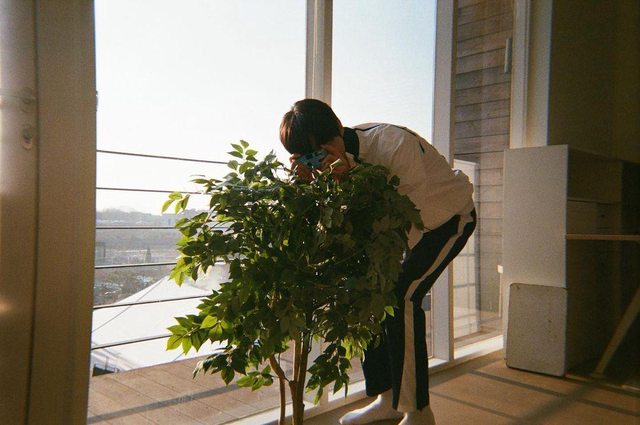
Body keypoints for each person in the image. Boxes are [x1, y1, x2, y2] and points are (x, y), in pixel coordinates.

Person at [279, 99, 476, 425]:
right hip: (399, 231)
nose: (319, 159)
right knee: (368, 296)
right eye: (308, 156)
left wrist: (351, 176)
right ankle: (387, 399)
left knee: (403, 297)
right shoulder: (324, 171)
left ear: (338, 129)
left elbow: (404, 221)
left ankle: (419, 412)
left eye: (322, 149)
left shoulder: (393, 144)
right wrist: (306, 187)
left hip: (447, 217)